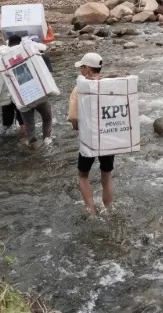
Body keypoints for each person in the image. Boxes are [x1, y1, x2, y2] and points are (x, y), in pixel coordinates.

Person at [67, 52, 114, 216]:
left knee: (83, 175)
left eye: (82, 67)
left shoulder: (79, 88)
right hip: (108, 137)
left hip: (89, 138)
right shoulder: (111, 86)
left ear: (87, 68)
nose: (80, 70)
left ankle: (90, 209)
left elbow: (73, 117)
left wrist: (77, 128)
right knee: (106, 174)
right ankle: (109, 209)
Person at [0, 35, 54, 147]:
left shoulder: (3, 59)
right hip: (38, 93)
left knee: (29, 124)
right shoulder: (30, 53)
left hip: (22, 98)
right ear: (21, 42)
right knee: (47, 118)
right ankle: (47, 140)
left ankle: (33, 145)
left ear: (8, 44)